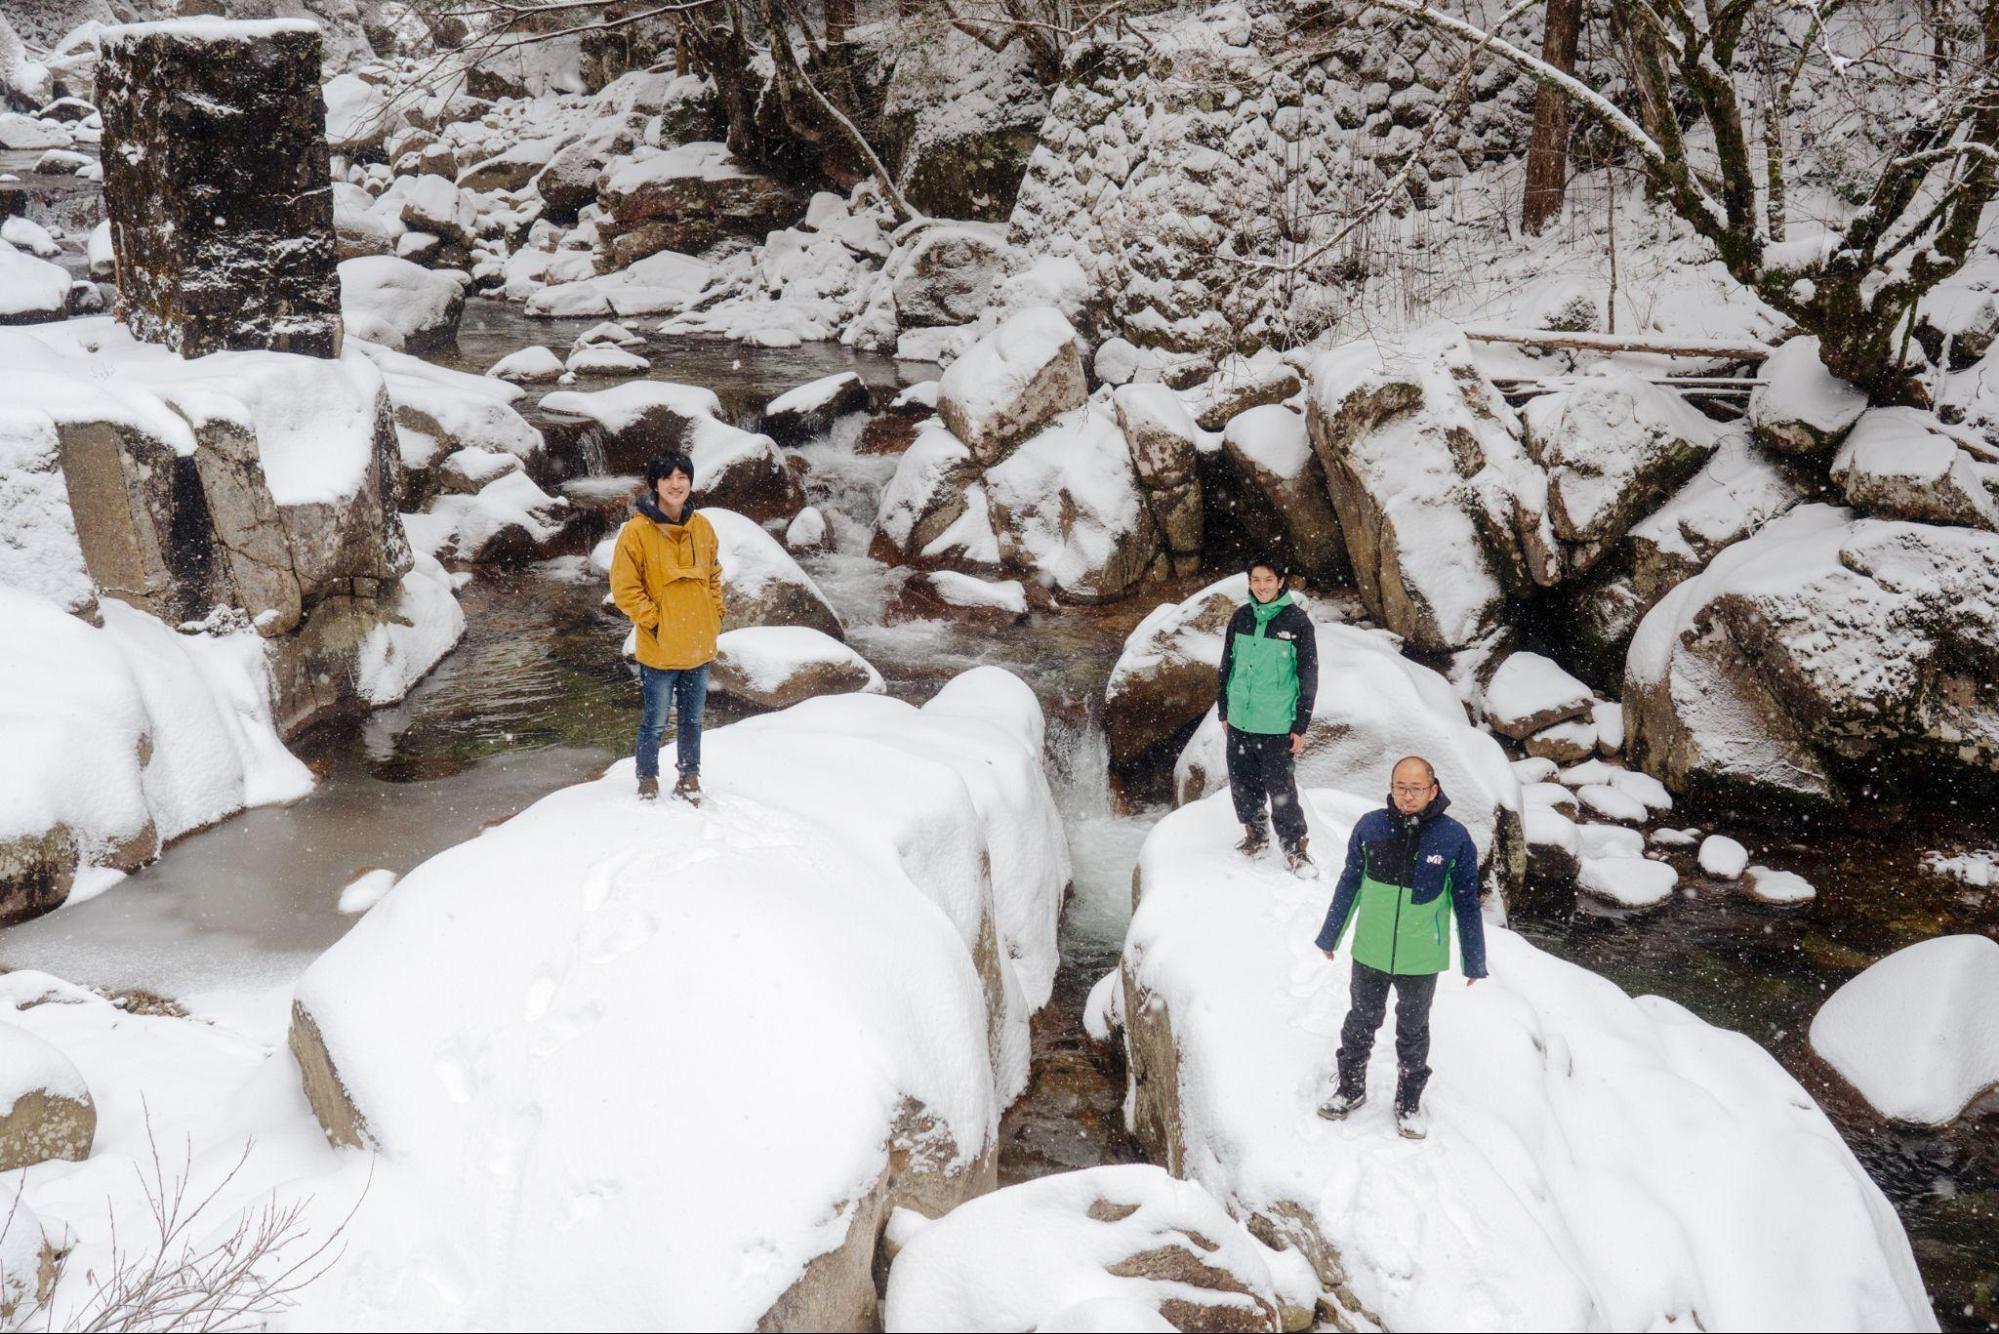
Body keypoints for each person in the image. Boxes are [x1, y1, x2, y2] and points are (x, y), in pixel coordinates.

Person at [1311, 756, 1487, 1140]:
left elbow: (1466, 902)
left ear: (1433, 789)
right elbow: (1350, 883)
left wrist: (1474, 960)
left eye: (1416, 788)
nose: (1408, 796)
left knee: (1413, 1030)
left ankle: (1408, 1104)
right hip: (1370, 950)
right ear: (1391, 788)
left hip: (1421, 957)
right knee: (1361, 1020)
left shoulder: (1453, 838)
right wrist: (1330, 936)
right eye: (1400, 788)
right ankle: (1349, 1089)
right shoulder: (1371, 827)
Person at [609, 452, 723, 805]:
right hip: (660, 646)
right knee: (655, 720)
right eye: (668, 477)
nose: (676, 484)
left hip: (698, 642)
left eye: (682, 477)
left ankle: (690, 776)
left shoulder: (701, 527)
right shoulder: (636, 532)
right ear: (655, 484)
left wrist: (714, 613)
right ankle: (647, 777)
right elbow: (625, 588)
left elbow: (714, 575)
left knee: (692, 720)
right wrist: (655, 621)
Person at [1218, 556, 1319, 876]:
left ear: (1280, 582)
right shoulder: (1241, 618)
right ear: (1249, 582)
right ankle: (1256, 834)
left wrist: (1300, 724)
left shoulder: (1297, 623)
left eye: (1268, 580)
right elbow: (1227, 666)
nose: (1261, 586)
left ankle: (1295, 848)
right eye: (1256, 580)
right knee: (1242, 783)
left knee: (1281, 789)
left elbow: (1308, 676)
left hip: (1275, 723)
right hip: (1239, 720)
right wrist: (1224, 708)